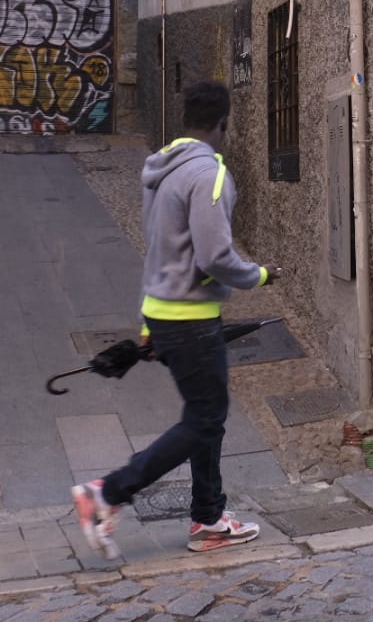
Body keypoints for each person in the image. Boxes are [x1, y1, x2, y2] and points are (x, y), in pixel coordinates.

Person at [71, 81, 280, 557]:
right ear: (225, 123)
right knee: (206, 417)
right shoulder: (209, 175)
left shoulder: (162, 170)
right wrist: (260, 275)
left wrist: (148, 322)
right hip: (191, 319)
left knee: (206, 416)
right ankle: (107, 493)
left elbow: (157, 250)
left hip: (164, 314)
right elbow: (214, 257)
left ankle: (208, 518)